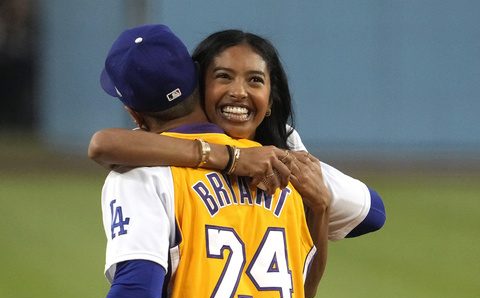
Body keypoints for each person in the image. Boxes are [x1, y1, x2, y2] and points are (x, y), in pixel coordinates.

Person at [92, 24, 326, 298]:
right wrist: (320, 208)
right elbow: (301, 290)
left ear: (133, 113)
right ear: (199, 82)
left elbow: (138, 291)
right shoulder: (278, 168)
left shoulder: (140, 172)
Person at [89, 29, 386, 242]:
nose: (238, 92)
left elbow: (372, 212)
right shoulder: (160, 144)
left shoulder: (282, 145)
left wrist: (317, 204)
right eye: (223, 76)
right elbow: (103, 144)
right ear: (198, 81)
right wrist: (232, 158)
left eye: (255, 80)